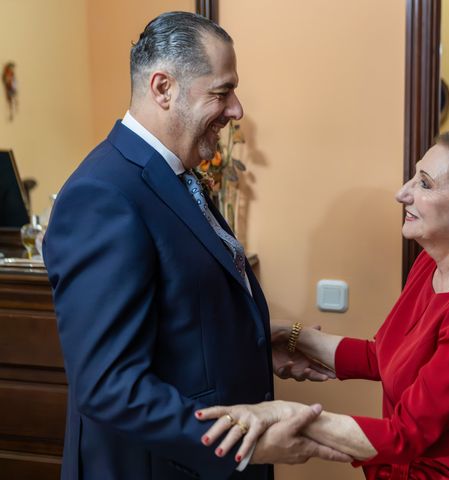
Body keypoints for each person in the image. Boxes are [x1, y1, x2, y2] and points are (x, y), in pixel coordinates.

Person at [196, 87, 449, 479]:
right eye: (413, 175)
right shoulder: (430, 267)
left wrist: (284, 416)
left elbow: (407, 432)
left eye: (424, 184)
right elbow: (384, 356)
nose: (402, 193)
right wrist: (290, 336)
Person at [43, 12, 347, 480]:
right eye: (221, 93)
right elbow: (109, 385)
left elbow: (181, 311)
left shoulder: (173, 174)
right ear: (163, 88)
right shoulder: (103, 195)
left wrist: (261, 344)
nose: (237, 110)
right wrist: (249, 441)